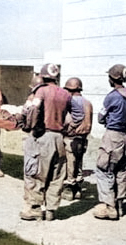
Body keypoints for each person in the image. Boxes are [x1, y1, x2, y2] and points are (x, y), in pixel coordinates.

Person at [19, 63, 71, 221]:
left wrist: (31, 127)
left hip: (43, 136)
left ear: (42, 76)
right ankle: (51, 211)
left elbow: (34, 109)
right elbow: (71, 117)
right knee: (57, 175)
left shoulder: (41, 91)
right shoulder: (65, 94)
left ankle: (35, 209)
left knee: (37, 173)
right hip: (59, 137)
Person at [93, 64, 126, 220]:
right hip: (125, 136)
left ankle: (109, 207)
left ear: (113, 78)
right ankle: (119, 205)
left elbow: (101, 117)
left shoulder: (112, 96)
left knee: (104, 169)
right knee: (121, 172)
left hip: (112, 136)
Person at [61, 77, 93, 201]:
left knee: (69, 163)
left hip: (70, 138)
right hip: (83, 139)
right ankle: (78, 188)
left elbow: (65, 121)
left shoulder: (69, 102)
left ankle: (69, 188)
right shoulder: (87, 103)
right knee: (79, 162)